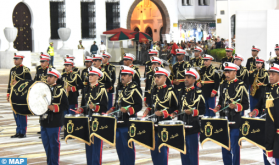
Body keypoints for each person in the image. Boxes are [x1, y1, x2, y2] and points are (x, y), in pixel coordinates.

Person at [213, 62, 249, 165]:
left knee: (235, 148)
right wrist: (218, 107)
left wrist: (236, 107)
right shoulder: (223, 85)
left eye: (229, 72)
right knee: (224, 147)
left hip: (235, 121)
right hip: (224, 120)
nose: (226, 74)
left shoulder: (241, 85)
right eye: (225, 72)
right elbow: (221, 101)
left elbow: (246, 104)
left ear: (235, 72)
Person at [107, 66, 142, 165]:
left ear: (130, 76)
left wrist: (128, 110)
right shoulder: (120, 88)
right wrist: (111, 109)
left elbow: (139, 105)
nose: (122, 77)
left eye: (125, 75)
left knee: (128, 147)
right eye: (122, 74)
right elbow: (117, 104)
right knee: (120, 147)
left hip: (128, 122)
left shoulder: (135, 89)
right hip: (118, 122)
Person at [143, 67, 178, 165]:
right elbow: (152, 105)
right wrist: (147, 110)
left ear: (165, 78)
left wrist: (164, 113)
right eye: (155, 77)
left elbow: (176, 107)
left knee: (162, 150)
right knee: (153, 149)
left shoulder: (171, 90)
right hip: (153, 123)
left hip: (164, 124)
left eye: (159, 77)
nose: (156, 79)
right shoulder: (154, 90)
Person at [77, 66, 108, 165]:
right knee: (88, 145)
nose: (90, 77)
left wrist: (94, 107)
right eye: (89, 75)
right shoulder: (86, 89)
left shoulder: (102, 89)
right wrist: (81, 109)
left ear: (97, 77)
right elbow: (83, 104)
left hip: (97, 121)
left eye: (92, 75)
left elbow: (104, 107)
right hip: (87, 120)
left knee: (97, 146)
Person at [41, 68, 69, 165]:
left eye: (50, 77)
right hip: (44, 120)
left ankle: (55, 163)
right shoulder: (43, 88)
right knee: (46, 144)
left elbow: (65, 105)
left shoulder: (61, 90)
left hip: (55, 121)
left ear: (56, 78)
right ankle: (50, 163)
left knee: (54, 145)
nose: (48, 78)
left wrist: (54, 108)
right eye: (48, 76)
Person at [178, 68, 205, 165]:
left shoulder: (198, 93)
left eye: (189, 77)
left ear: (194, 80)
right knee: (183, 152)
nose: (186, 79)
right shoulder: (181, 92)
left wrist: (193, 112)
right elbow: (178, 107)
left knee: (193, 153)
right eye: (185, 77)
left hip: (193, 126)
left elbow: (203, 109)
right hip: (182, 126)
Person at [7, 53, 32, 138]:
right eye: (14, 59)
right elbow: (9, 82)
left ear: (21, 60)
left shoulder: (26, 70)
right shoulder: (12, 70)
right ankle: (18, 131)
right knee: (15, 112)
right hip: (13, 94)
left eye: (17, 59)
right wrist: (8, 93)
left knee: (22, 113)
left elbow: (29, 82)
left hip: (22, 95)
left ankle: (23, 131)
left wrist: (18, 83)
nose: (15, 61)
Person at [263, 63, 279, 165]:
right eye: (270, 74)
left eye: (273, 74)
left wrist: (269, 150)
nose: (270, 76)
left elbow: (271, 124)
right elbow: (260, 104)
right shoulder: (267, 88)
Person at [34, 53, 51, 137]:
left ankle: (47, 129)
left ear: (47, 62)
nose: (41, 63)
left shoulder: (51, 69)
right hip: (40, 93)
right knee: (40, 111)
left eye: (43, 61)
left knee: (47, 112)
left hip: (47, 94)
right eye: (41, 61)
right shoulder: (39, 69)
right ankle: (42, 128)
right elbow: (36, 79)